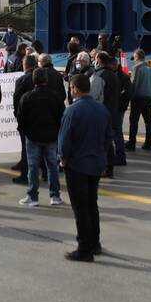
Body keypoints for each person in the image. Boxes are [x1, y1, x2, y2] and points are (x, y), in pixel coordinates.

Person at [59, 74, 109, 262]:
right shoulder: (101, 108)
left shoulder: (72, 111)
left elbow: (64, 139)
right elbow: (108, 137)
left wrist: (63, 158)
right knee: (92, 204)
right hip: (95, 163)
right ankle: (95, 243)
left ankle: (84, 248)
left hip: (77, 164)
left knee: (80, 208)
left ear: (75, 89)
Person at [16, 67, 65, 207]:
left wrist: (25, 131)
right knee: (52, 166)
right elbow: (62, 116)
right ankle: (55, 196)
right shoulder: (55, 96)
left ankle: (32, 196)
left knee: (33, 167)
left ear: (34, 81)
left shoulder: (27, 97)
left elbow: (21, 118)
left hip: (33, 136)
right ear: (46, 80)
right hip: (51, 137)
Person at [9, 54, 37, 183]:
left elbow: (16, 101)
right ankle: (44, 173)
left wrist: (18, 117)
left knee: (26, 148)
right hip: (40, 118)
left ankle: (25, 175)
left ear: (25, 65)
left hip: (26, 119)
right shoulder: (40, 77)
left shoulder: (22, 80)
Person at [128, 49, 151, 152]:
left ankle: (132, 143)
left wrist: (130, 96)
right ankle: (148, 143)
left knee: (134, 121)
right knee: (148, 121)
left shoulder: (136, 68)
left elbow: (134, 84)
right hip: (149, 98)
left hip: (138, 97)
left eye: (134, 58)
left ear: (137, 57)